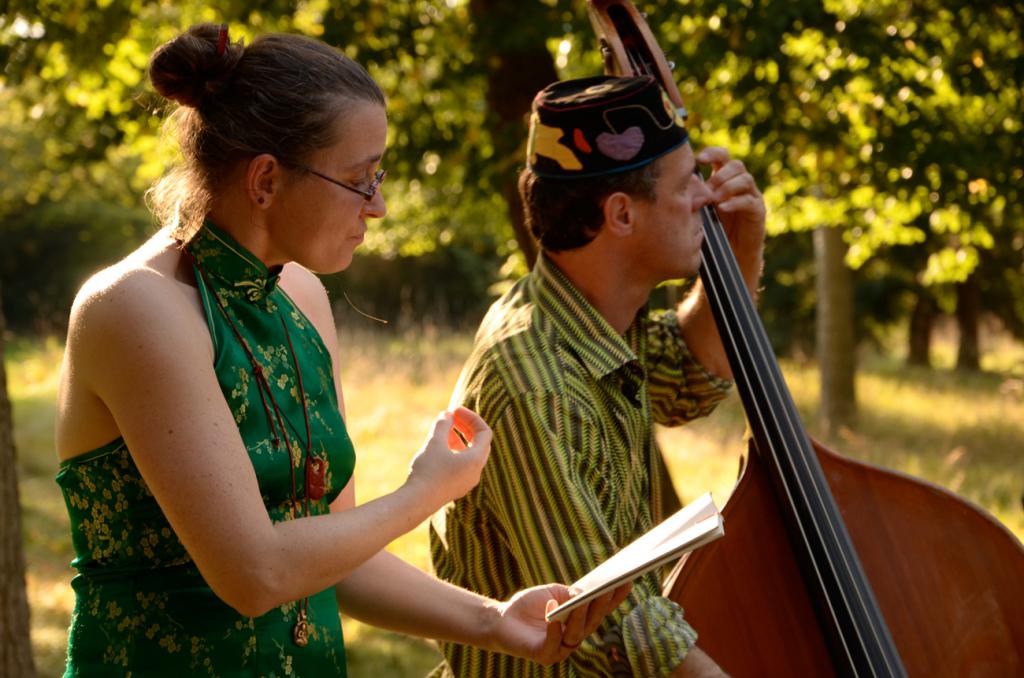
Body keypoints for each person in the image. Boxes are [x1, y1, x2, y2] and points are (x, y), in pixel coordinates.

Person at [54, 24, 629, 677]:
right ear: (266, 180)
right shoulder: (139, 308)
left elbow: (334, 560)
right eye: (360, 179)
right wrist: (426, 493)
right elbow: (255, 572)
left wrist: (493, 620)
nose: (379, 206)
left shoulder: (300, 293)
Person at [430, 75, 766, 677]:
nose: (706, 196)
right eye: (687, 180)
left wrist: (741, 258)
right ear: (620, 214)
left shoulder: (594, 320)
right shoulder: (537, 384)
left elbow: (689, 378)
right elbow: (609, 624)